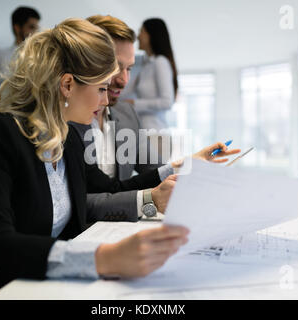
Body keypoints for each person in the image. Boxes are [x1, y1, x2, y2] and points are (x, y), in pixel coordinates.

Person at [0, 18, 189, 300]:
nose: (106, 101)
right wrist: (104, 257)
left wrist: (172, 173)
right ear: (67, 85)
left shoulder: (67, 139)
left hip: (36, 288)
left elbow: (108, 189)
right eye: (101, 89)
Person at [70, 15, 240, 222]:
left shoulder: (126, 114)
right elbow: (77, 205)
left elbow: (153, 171)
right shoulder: (67, 121)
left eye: (129, 68)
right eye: (114, 66)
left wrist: (191, 168)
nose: (124, 80)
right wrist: (149, 199)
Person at [123, 18, 178, 131]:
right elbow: (125, 91)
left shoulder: (160, 62)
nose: (138, 37)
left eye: (141, 32)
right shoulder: (146, 65)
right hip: (144, 131)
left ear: (151, 35)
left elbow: (167, 102)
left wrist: (134, 103)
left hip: (157, 133)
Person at [0, 6, 40, 87]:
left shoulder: (39, 56)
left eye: (36, 28)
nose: (36, 33)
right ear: (17, 28)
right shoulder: (1, 54)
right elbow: (7, 84)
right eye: (31, 27)